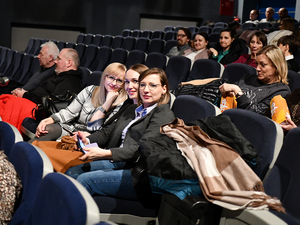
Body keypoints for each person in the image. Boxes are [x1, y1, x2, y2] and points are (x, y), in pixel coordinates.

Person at [67, 68, 175, 201]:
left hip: (140, 173)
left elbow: (143, 149)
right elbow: (108, 132)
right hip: (121, 162)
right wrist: (88, 140)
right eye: (142, 85)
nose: (146, 90)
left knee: (85, 180)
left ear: (164, 89)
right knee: (72, 171)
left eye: (153, 85)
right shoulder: (133, 109)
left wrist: (106, 153)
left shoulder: (163, 113)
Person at [29, 62, 129, 142]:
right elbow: (69, 112)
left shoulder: (121, 104)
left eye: (119, 80)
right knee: (47, 129)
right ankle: (19, 158)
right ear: (104, 77)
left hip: (91, 138)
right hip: (73, 129)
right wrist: (50, 119)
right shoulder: (90, 90)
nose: (114, 83)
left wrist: (107, 103)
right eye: (111, 77)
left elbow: (95, 128)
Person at [219, 45, 291, 116]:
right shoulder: (248, 78)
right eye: (257, 64)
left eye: (263, 65)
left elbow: (256, 115)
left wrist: (238, 92)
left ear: (276, 67)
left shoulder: (281, 91)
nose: (257, 69)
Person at [11, 48, 82, 104]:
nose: (55, 61)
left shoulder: (70, 81)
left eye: (59, 59)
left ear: (69, 63)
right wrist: (23, 93)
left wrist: (25, 95)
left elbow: (52, 102)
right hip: (28, 102)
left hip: (34, 109)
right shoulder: (57, 75)